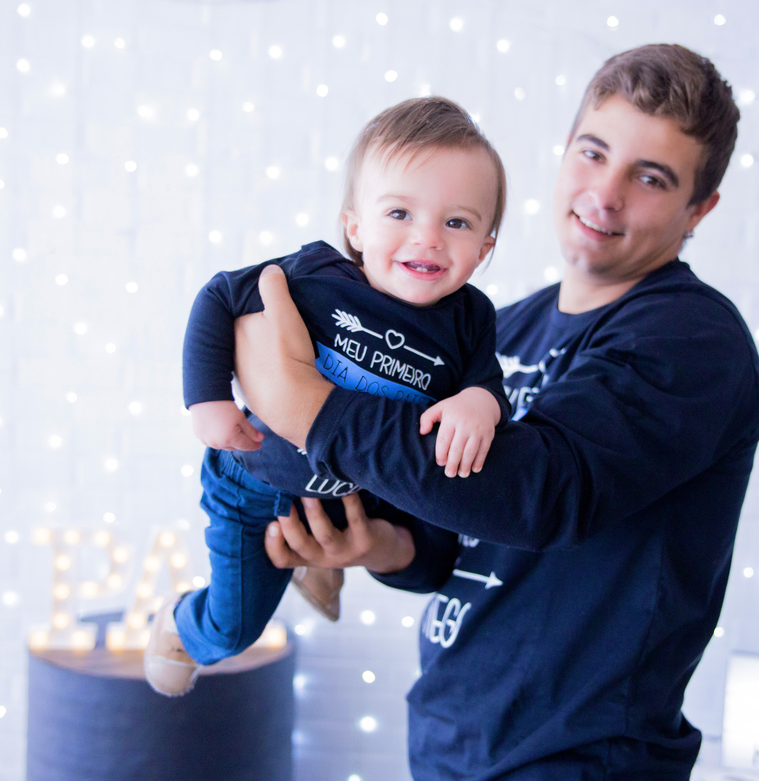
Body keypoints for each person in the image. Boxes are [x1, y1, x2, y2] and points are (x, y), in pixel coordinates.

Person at [233, 43, 759, 781]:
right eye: (594, 153)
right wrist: (384, 546)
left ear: (698, 210)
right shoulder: (496, 332)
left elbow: (543, 493)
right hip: (456, 754)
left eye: (650, 178)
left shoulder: (691, 340)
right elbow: (451, 531)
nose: (605, 194)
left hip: (579, 774)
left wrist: (307, 406)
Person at [143, 97, 513, 697]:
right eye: (400, 212)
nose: (428, 238)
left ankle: (320, 562)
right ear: (356, 226)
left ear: (485, 249)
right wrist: (205, 399)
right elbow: (220, 296)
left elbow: (484, 382)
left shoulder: (470, 318)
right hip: (255, 479)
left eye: (457, 223)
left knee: (425, 516)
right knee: (237, 627)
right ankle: (182, 625)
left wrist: (479, 403)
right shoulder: (317, 278)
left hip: (357, 488)